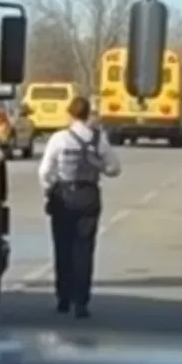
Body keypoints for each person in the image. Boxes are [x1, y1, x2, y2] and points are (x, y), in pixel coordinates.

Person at [37, 95, 122, 319]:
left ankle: (63, 298)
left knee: (62, 247)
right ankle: (81, 302)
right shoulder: (98, 139)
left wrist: (49, 188)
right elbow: (114, 168)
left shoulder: (59, 138)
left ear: (70, 113)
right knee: (84, 248)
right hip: (89, 195)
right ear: (87, 114)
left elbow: (45, 171)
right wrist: (99, 166)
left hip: (64, 195)